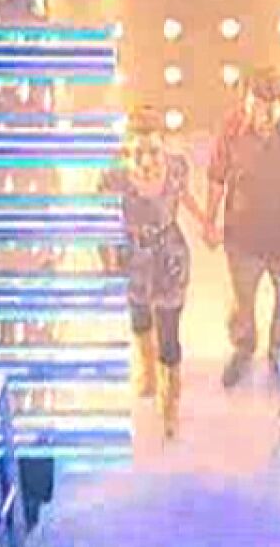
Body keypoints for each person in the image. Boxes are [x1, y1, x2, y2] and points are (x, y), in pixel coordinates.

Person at [98, 105, 207, 438]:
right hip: (132, 256)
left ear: (163, 144)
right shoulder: (113, 177)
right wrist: (107, 260)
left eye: (154, 150)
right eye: (138, 151)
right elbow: (104, 219)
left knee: (169, 330)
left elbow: (184, 196)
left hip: (168, 255)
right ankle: (146, 372)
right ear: (127, 149)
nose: (147, 160)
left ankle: (170, 402)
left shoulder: (176, 169)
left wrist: (205, 221)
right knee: (140, 316)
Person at [203, 67, 280, 388]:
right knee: (242, 301)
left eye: (273, 107)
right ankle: (243, 348)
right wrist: (209, 220)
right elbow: (217, 175)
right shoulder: (231, 128)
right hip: (243, 235)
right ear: (247, 101)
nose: (265, 115)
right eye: (258, 105)